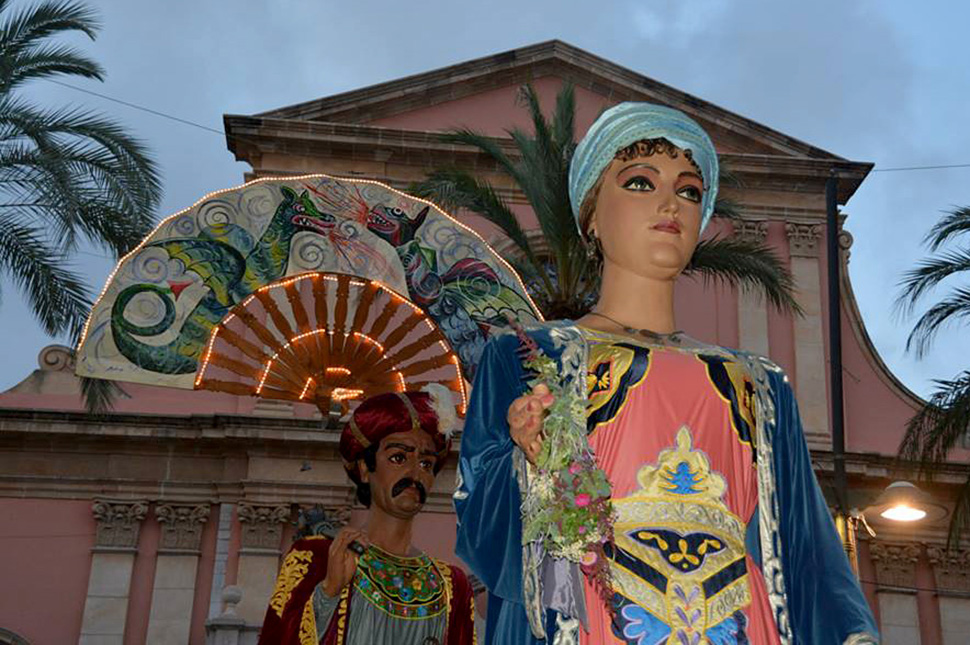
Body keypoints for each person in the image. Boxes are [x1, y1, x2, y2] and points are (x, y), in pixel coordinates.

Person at [454, 103, 878, 644]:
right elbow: (481, 523)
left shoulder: (760, 383)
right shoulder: (530, 357)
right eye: (638, 182)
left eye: (689, 191)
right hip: (595, 617)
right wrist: (529, 464)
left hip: (741, 622)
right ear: (591, 214)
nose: (669, 203)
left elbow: (806, 546)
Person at [259, 389, 477, 645]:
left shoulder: (453, 586)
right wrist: (328, 593)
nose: (414, 473)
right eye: (398, 458)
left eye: (426, 464)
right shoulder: (315, 558)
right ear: (365, 469)